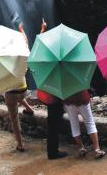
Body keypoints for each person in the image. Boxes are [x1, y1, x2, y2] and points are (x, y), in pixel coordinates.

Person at [39, 18, 68, 160]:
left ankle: (52, 150)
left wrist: (43, 30)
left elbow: (40, 47)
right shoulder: (59, 65)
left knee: (52, 123)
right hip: (54, 97)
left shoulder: (45, 62)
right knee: (53, 125)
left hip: (47, 94)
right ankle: (53, 152)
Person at [3, 22, 34, 152]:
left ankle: (20, 144)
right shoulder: (24, 54)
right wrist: (21, 29)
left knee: (14, 118)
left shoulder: (3, 60)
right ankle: (29, 109)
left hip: (11, 93)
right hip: (23, 89)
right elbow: (25, 41)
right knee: (19, 97)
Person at [64, 88, 105, 159]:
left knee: (74, 123)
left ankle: (81, 148)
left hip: (68, 98)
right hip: (82, 96)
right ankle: (97, 149)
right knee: (89, 122)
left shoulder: (60, 77)